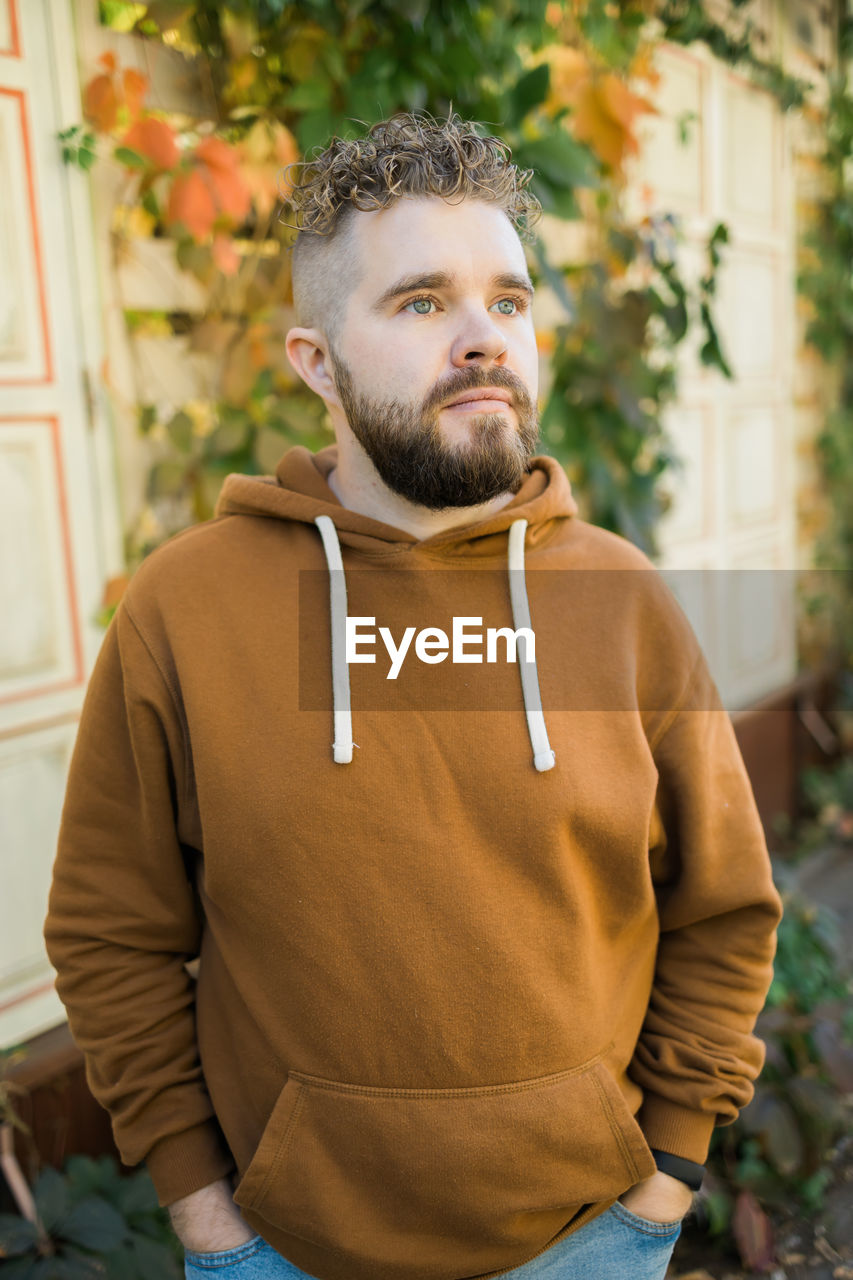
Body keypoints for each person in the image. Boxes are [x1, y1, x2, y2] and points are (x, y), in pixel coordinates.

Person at [44, 112, 782, 1280]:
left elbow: (725, 907)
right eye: (423, 302)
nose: (485, 338)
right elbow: (110, 930)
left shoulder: (626, 606)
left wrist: (665, 1175)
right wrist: (201, 1205)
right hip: (283, 1252)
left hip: (592, 1237)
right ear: (314, 362)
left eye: (510, 299)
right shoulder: (183, 612)